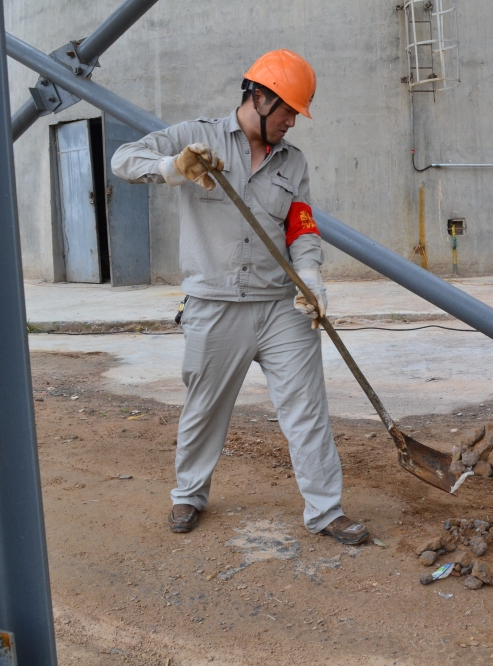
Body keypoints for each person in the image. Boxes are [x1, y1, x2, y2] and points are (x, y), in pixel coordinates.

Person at [111, 49, 368, 545]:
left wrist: (311, 275)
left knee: (306, 408)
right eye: (288, 110)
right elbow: (124, 159)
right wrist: (173, 166)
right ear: (259, 97)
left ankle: (326, 510)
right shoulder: (196, 137)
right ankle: (189, 494)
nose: (293, 122)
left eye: (296, 113)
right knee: (204, 407)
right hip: (214, 304)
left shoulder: (293, 161)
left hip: (280, 306)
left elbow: (301, 221)